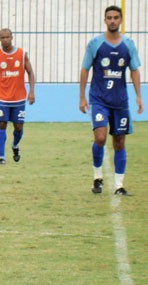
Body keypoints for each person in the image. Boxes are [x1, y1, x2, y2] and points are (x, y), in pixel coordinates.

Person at [79, 5, 143, 195]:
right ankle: (97, 177)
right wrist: (82, 96)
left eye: (116, 17)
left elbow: (134, 70)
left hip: (120, 101)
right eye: (109, 18)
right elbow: (85, 69)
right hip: (99, 99)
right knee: (100, 137)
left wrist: (139, 95)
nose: (112, 20)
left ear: (121, 20)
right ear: (105, 20)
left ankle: (119, 185)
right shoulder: (96, 43)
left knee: (120, 141)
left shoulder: (128, 44)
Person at [0, 28, 35, 165]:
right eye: (2, 38)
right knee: (2, 124)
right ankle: (2, 157)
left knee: (18, 127)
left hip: (19, 98)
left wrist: (31, 92)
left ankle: (15, 146)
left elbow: (30, 73)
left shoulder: (22, 54)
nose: (5, 40)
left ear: (12, 38)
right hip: (2, 98)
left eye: (7, 37)